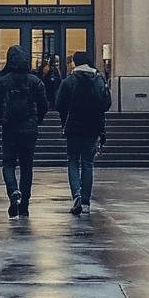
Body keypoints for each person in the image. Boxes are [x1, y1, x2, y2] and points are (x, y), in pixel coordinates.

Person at [0, 45, 48, 219]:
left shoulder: (3, 81)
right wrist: (37, 119)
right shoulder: (35, 81)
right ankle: (24, 205)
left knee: (8, 163)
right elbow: (44, 105)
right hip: (29, 127)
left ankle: (13, 191)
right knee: (27, 166)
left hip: (9, 127)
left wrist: (0, 118)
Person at [55, 50, 111, 215]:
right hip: (93, 127)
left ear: (75, 63)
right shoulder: (99, 80)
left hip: (73, 126)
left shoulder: (69, 81)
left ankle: (76, 194)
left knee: (72, 160)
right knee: (88, 163)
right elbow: (106, 104)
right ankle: (85, 201)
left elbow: (58, 104)